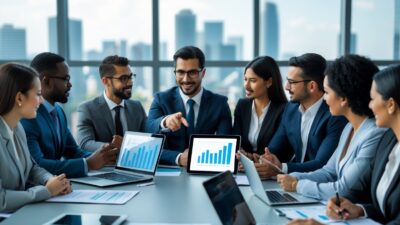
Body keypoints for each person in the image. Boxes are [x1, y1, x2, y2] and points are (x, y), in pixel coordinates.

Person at [276, 54, 385, 200]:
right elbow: (329, 171)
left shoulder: (373, 133)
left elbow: (343, 189)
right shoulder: (349, 129)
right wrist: (292, 176)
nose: (324, 98)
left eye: (327, 92)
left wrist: (297, 185)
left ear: (344, 98)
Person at [21, 52, 118, 178]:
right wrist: (88, 163)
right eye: (65, 79)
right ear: (47, 81)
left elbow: (73, 152)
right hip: (39, 191)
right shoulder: (28, 117)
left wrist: (104, 156)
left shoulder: (58, 112)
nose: (70, 84)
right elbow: (37, 165)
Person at [325, 65, 400, 224]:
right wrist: (354, 207)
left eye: (373, 99)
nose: (370, 106)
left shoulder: (377, 134)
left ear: (391, 104)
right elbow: (365, 190)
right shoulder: (388, 140)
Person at [254, 53, 347, 179]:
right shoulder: (291, 109)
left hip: (318, 186)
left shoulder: (335, 115)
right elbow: (274, 149)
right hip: (290, 183)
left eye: (292, 82)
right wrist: (262, 160)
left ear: (312, 86)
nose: (286, 87)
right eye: (287, 81)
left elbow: (321, 164)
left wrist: (281, 168)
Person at [0, 63, 71, 212]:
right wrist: (47, 191)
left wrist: (51, 180)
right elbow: (2, 200)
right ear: (19, 97)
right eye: (38, 94)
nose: (42, 101)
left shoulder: (17, 128)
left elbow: (31, 168)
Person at [146, 46, 232, 166]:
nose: (186, 79)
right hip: (169, 173)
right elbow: (148, 138)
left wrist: (196, 157)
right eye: (180, 72)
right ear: (175, 72)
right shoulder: (161, 99)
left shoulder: (220, 103)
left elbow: (227, 146)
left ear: (203, 73)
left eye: (192, 72)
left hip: (205, 170)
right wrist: (164, 122)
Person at [76, 55, 147, 151]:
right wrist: (114, 146)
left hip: (136, 164)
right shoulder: (87, 109)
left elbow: (147, 138)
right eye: (123, 78)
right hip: (106, 165)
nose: (130, 83)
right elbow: (85, 144)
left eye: (131, 77)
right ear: (106, 81)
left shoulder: (137, 107)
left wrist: (125, 145)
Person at [233, 56, 287, 156]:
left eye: (253, 80)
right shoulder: (242, 105)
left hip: (270, 169)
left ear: (269, 82)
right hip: (243, 166)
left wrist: (251, 157)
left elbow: (276, 150)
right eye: (245, 79)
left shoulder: (284, 110)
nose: (246, 85)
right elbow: (236, 141)